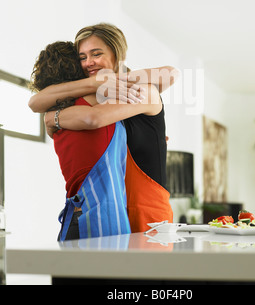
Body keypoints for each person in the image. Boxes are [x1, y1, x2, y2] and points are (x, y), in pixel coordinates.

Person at [30, 23, 178, 233]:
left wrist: (53, 118)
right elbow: (36, 101)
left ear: (117, 53)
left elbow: (94, 118)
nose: (89, 62)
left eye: (96, 54)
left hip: (148, 215)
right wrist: (95, 84)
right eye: (82, 57)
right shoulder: (99, 96)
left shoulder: (142, 90)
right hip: (116, 212)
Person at [30, 40, 131, 241]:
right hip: (101, 221)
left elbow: (36, 101)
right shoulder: (97, 100)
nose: (89, 63)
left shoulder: (54, 116)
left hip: (73, 219)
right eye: (83, 58)